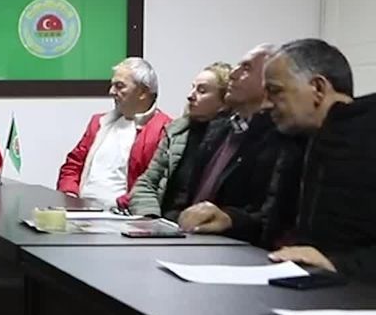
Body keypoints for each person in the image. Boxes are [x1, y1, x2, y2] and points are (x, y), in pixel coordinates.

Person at [180, 39, 376, 283]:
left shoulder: (366, 138)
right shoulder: (294, 142)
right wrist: (231, 220)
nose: (266, 103)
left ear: (317, 89)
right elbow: (274, 225)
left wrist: (338, 265)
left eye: (275, 91)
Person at [182, 44, 300, 224]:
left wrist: (230, 220)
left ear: (269, 82)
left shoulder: (279, 139)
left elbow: (268, 217)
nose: (233, 74)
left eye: (246, 68)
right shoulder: (218, 129)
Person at [57, 57, 172, 209]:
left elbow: (156, 185)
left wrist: (118, 206)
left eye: (119, 86)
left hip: (123, 216)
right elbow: (73, 166)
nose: (111, 92)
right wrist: (70, 195)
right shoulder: (99, 123)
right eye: (112, 85)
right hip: (80, 212)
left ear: (143, 92)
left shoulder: (165, 130)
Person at [129, 62, 231, 219]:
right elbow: (146, 183)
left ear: (224, 101)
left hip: (202, 226)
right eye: (193, 88)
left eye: (202, 91)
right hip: (165, 222)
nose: (190, 96)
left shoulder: (232, 139)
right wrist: (150, 218)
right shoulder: (176, 132)